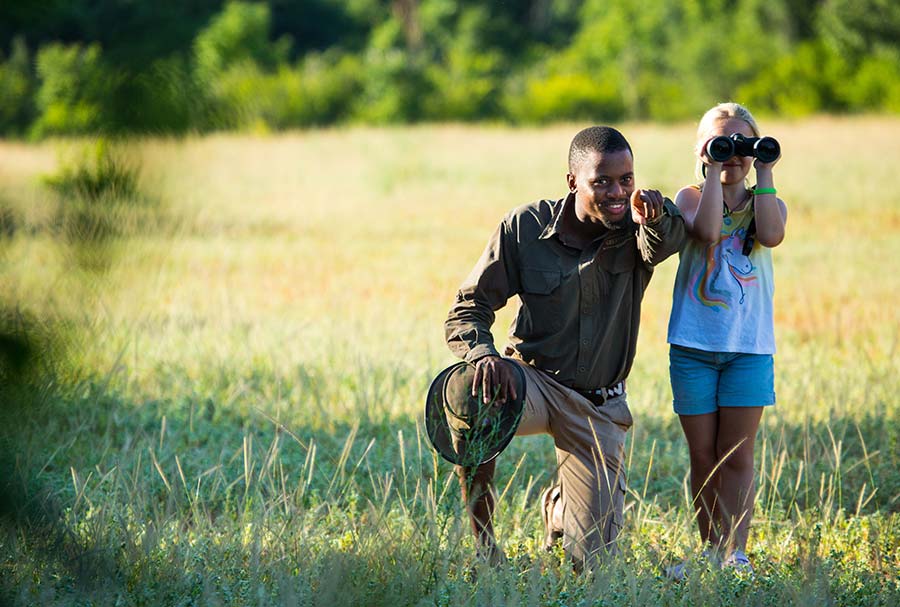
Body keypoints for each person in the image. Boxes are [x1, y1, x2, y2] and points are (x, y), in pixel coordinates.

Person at [443, 126, 686, 568]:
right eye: (602, 182)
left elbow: (666, 241)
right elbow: (468, 307)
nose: (618, 192)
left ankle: (560, 508)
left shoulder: (640, 225)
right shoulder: (525, 227)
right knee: (468, 390)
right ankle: (485, 548)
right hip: (530, 384)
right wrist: (484, 355)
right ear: (573, 181)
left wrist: (653, 216)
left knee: (590, 566)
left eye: (626, 179)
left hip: (597, 404)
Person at [666, 102, 787, 576]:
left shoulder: (768, 202)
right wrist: (714, 171)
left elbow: (771, 235)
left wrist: (765, 171)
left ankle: (735, 553)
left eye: (742, 143)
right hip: (693, 347)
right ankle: (711, 550)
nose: (732, 153)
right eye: (721, 143)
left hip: (748, 348)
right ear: (701, 149)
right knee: (702, 456)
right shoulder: (690, 197)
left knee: (736, 456)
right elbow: (708, 231)